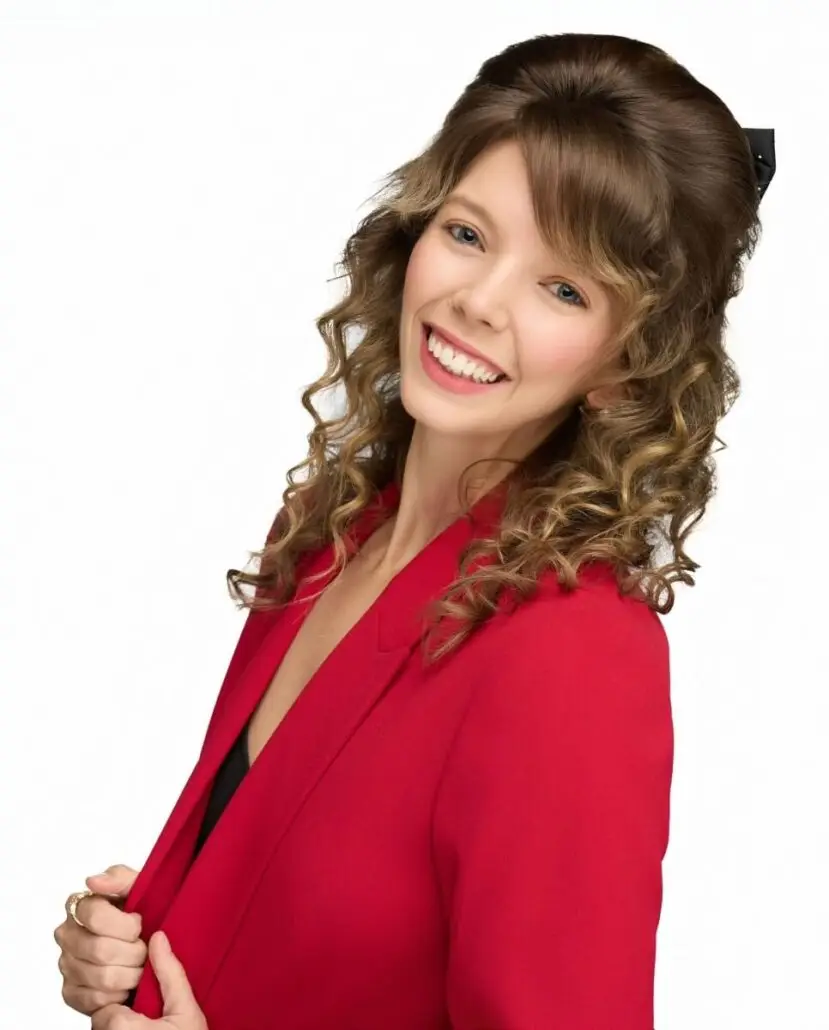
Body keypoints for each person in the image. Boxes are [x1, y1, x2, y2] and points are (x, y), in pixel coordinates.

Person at [53, 31, 774, 1030]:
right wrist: (125, 948)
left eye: (562, 287)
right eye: (470, 234)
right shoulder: (328, 531)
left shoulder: (572, 653)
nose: (475, 300)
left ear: (624, 365)